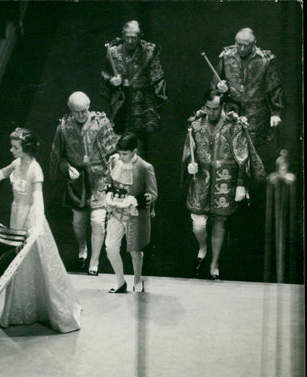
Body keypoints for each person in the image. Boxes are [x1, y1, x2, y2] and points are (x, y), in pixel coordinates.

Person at [0, 128, 81, 333]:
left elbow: (38, 198)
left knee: (39, 261)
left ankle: (49, 308)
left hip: (31, 218)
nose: (11, 150)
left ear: (25, 149)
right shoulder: (16, 163)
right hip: (16, 215)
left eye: (15, 147)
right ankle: (21, 309)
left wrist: (37, 226)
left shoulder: (35, 169)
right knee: (18, 263)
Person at [183, 90, 264, 280]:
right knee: (198, 224)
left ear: (223, 106)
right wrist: (189, 166)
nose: (211, 113)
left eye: (215, 109)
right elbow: (188, 151)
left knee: (220, 222)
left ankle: (214, 265)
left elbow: (242, 156)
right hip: (201, 180)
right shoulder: (195, 125)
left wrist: (241, 184)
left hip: (225, 179)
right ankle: (203, 248)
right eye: (208, 108)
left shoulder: (234, 126)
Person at [49, 91, 118, 276]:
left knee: (97, 221)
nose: (82, 115)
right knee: (78, 222)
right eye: (78, 111)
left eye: (85, 110)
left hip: (99, 179)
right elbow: (59, 156)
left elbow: (113, 152)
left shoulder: (101, 122)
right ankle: (82, 249)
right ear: (71, 110)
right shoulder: (63, 127)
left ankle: (94, 261)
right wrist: (65, 169)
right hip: (77, 181)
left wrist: (115, 169)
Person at [212, 28, 286, 154]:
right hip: (232, 111)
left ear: (254, 44)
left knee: (254, 149)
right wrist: (220, 88)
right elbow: (214, 85)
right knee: (230, 148)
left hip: (257, 114)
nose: (241, 49)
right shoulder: (226, 57)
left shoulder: (265, 60)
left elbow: (274, 88)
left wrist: (276, 113)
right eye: (238, 44)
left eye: (245, 46)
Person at [100, 21, 167, 152]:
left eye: (134, 37)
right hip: (121, 102)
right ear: (122, 35)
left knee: (141, 142)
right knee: (120, 140)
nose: (130, 41)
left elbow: (157, 76)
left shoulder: (150, 51)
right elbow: (104, 74)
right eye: (127, 37)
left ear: (140, 36)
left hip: (143, 103)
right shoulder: (112, 52)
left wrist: (157, 101)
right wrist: (111, 81)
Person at [103, 134, 158, 293]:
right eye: (120, 153)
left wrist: (142, 199)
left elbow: (153, 193)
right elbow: (108, 181)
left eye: (125, 154)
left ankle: (137, 279)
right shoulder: (114, 161)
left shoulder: (145, 167)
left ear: (134, 151)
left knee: (135, 249)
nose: (121, 157)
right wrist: (109, 191)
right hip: (116, 210)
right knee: (110, 247)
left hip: (134, 213)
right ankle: (120, 281)